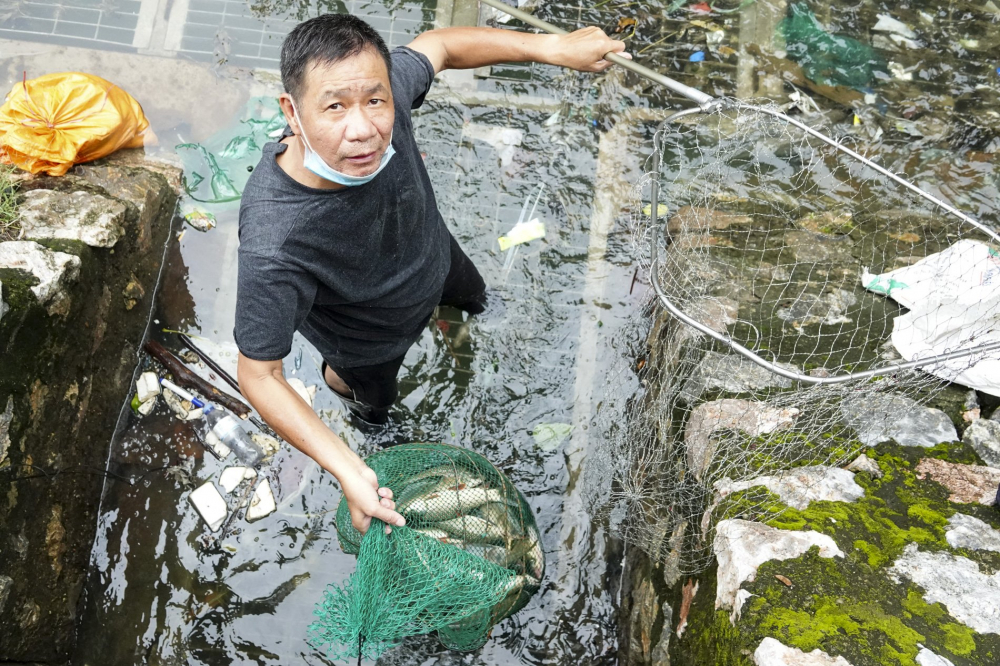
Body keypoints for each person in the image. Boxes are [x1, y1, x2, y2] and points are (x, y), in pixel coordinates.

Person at [234, 13, 629, 536]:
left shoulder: (380, 96)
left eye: (375, 102)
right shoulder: (275, 241)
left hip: (438, 262)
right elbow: (259, 373)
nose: (364, 129)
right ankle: (361, 412)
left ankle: (460, 319)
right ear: (293, 111)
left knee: (478, 300)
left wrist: (552, 48)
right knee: (374, 404)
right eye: (334, 107)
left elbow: (439, 44)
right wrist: (349, 468)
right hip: (369, 339)